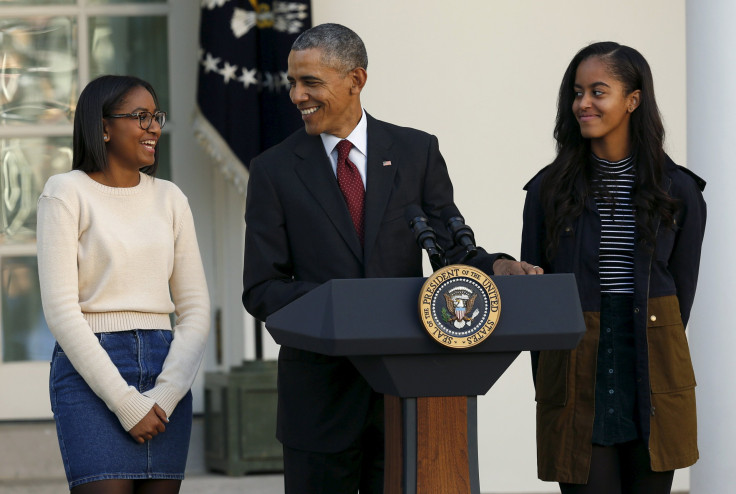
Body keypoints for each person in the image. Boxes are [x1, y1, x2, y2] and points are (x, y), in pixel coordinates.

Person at [242, 22, 538, 494]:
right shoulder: (273, 170)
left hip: (408, 399)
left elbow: (453, 251)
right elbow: (262, 289)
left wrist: (498, 266)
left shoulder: (416, 151)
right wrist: (346, 307)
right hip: (319, 405)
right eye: (292, 82)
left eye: (311, 82)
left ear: (356, 80)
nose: (297, 95)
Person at [521, 42, 706, 494]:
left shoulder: (679, 190)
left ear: (633, 99)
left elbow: (682, 294)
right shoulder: (547, 190)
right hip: (575, 364)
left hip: (654, 362)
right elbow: (536, 294)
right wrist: (549, 376)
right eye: (577, 92)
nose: (583, 103)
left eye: (598, 92)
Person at [37, 75, 210, 494]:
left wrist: (164, 396)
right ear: (104, 126)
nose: (154, 127)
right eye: (140, 116)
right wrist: (127, 402)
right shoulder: (65, 193)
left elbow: (195, 310)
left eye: (156, 117)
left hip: (166, 368)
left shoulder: (171, 198)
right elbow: (62, 312)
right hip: (92, 372)